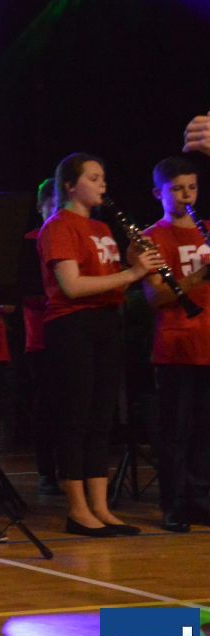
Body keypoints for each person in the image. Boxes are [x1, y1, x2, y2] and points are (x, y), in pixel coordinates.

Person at [37, 152, 161, 537]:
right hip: (72, 326)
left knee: (101, 418)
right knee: (75, 417)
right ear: (70, 185)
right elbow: (73, 286)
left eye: (103, 177)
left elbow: (109, 280)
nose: (102, 184)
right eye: (93, 178)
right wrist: (132, 272)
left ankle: (101, 507)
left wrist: (133, 262)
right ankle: (78, 510)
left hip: (107, 323)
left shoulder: (103, 227)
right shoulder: (58, 226)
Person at [142, 155, 210, 532]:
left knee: (204, 431)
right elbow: (155, 297)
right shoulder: (151, 237)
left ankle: (201, 500)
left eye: (192, 188)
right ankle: (174, 503)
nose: (187, 196)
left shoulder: (207, 230)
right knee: (176, 431)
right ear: (159, 194)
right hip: (176, 345)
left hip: (208, 342)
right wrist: (199, 277)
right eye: (178, 189)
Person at [23, 179, 60, 495]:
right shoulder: (29, 242)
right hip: (40, 335)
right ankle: (47, 470)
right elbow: (27, 291)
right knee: (47, 404)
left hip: (70, 332)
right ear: (40, 207)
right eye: (52, 206)